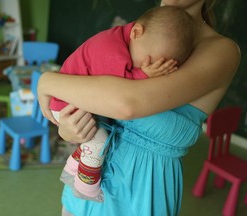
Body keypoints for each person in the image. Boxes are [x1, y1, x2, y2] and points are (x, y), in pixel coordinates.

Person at [37, 0, 241, 215]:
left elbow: (126, 104)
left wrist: (48, 82)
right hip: (85, 184)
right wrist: (69, 131)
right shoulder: (136, 31)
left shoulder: (221, 51)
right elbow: (90, 103)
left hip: (141, 194)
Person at [50, 5, 196, 202]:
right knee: (98, 140)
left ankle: (73, 166)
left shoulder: (127, 39)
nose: (148, 67)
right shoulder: (111, 49)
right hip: (66, 103)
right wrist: (144, 75)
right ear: (136, 32)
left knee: (98, 134)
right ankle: (86, 189)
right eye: (149, 60)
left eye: (160, 67)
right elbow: (119, 87)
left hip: (77, 100)